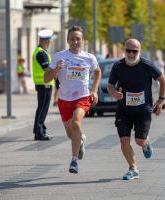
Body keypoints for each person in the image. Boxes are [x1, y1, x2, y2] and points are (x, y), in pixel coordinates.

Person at [107, 38, 165, 180]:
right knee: (124, 141)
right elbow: (110, 85)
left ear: (139, 51)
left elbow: (162, 79)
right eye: (129, 51)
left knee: (139, 141)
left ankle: (145, 143)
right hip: (124, 110)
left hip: (143, 111)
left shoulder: (147, 65)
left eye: (135, 51)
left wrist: (161, 100)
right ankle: (133, 168)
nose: (132, 54)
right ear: (124, 51)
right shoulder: (118, 66)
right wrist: (114, 93)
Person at [44, 26, 101, 174]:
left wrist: (94, 91)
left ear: (82, 40)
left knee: (76, 122)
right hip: (64, 99)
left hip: (82, 97)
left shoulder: (89, 57)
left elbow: (97, 71)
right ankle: (80, 140)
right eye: (72, 39)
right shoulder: (58, 56)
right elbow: (46, 78)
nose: (75, 41)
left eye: (78, 39)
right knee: (71, 134)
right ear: (68, 40)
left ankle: (74, 160)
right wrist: (56, 69)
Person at [32, 29, 54, 141]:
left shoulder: (39, 51)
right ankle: (39, 132)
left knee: (42, 107)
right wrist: (57, 70)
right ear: (47, 41)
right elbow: (47, 68)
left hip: (42, 83)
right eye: (49, 40)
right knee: (43, 108)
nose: (50, 43)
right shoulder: (41, 53)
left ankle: (40, 129)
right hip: (44, 84)